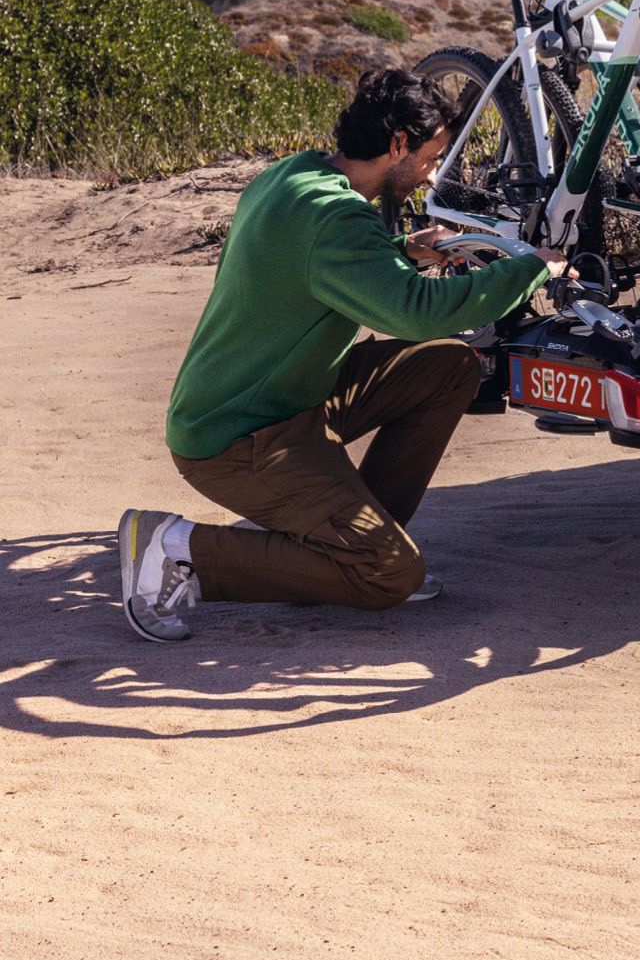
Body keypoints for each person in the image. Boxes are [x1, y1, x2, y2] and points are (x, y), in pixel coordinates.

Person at [118, 67, 565, 642]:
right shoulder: (335, 219)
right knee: (390, 575)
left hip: (284, 396)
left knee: (446, 366)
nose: (431, 175)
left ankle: (349, 541)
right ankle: (173, 548)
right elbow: (416, 313)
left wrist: (400, 250)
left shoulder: (297, 174)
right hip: (237, 438)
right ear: (397, 144)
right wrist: (530, 269)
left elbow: (313, 264)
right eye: (431, 157)